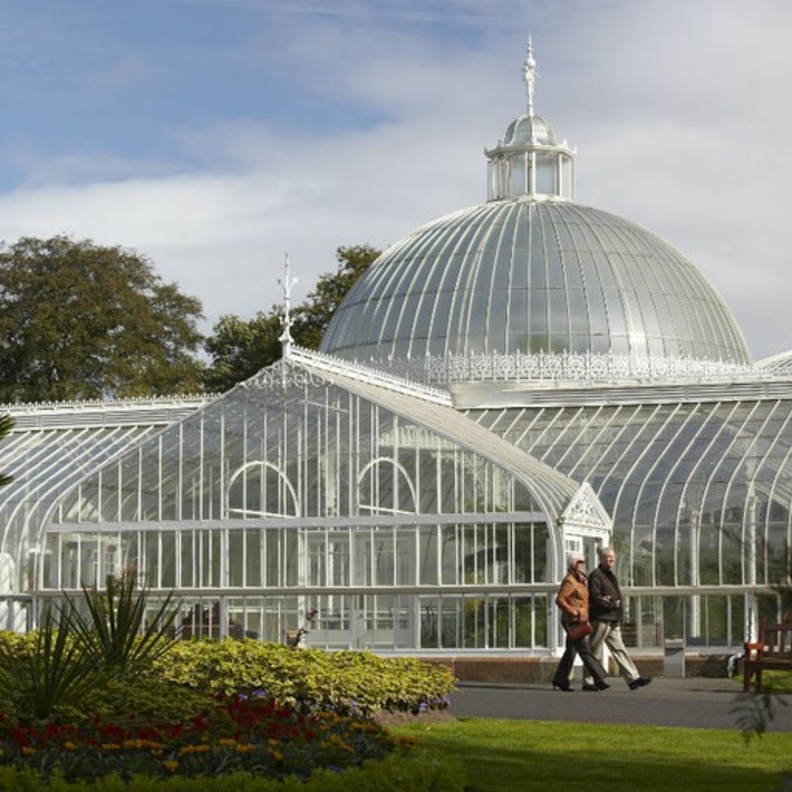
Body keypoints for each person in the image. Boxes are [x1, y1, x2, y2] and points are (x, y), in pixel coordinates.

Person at [583, 546, 652, 692]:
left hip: (612, 619)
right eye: (609, 557)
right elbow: (595, 598)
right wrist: (611, 602)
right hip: (601, 619)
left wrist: (614, 606)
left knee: (620, 649)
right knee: (594, 651)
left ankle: (633, 678)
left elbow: (611, 596)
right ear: (601, 558)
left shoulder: (608, 575)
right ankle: (588, 681)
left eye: (613, 557)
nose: (612, 559)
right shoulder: (596, 575)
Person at [551, 552, 610, 692]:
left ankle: (560, 680)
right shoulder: (570, 580)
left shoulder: (582, 580)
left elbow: (584, 601)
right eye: (579, 562)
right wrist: (574, 612)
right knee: (585, 650)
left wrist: (601, 601)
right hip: (573, 621)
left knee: (570, 652)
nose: (583, 564)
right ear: (573, 564)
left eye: (583, 562)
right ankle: (599, 678)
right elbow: (560, 599)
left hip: (581, 620)